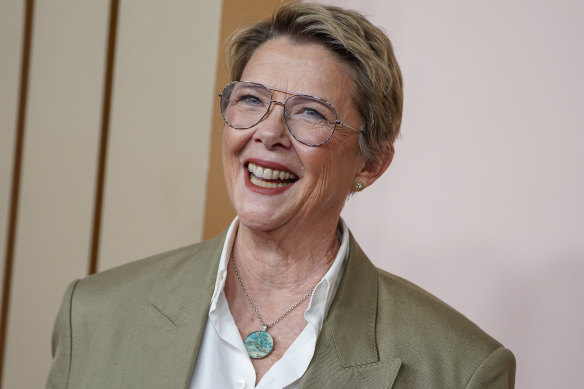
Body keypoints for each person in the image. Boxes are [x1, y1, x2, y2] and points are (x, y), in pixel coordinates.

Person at [46, 2, 515, 388]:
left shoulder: (459, 369)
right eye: (250, 99)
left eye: (310, 113)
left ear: (371, 164)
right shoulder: (93, 314)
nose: (268, 133)